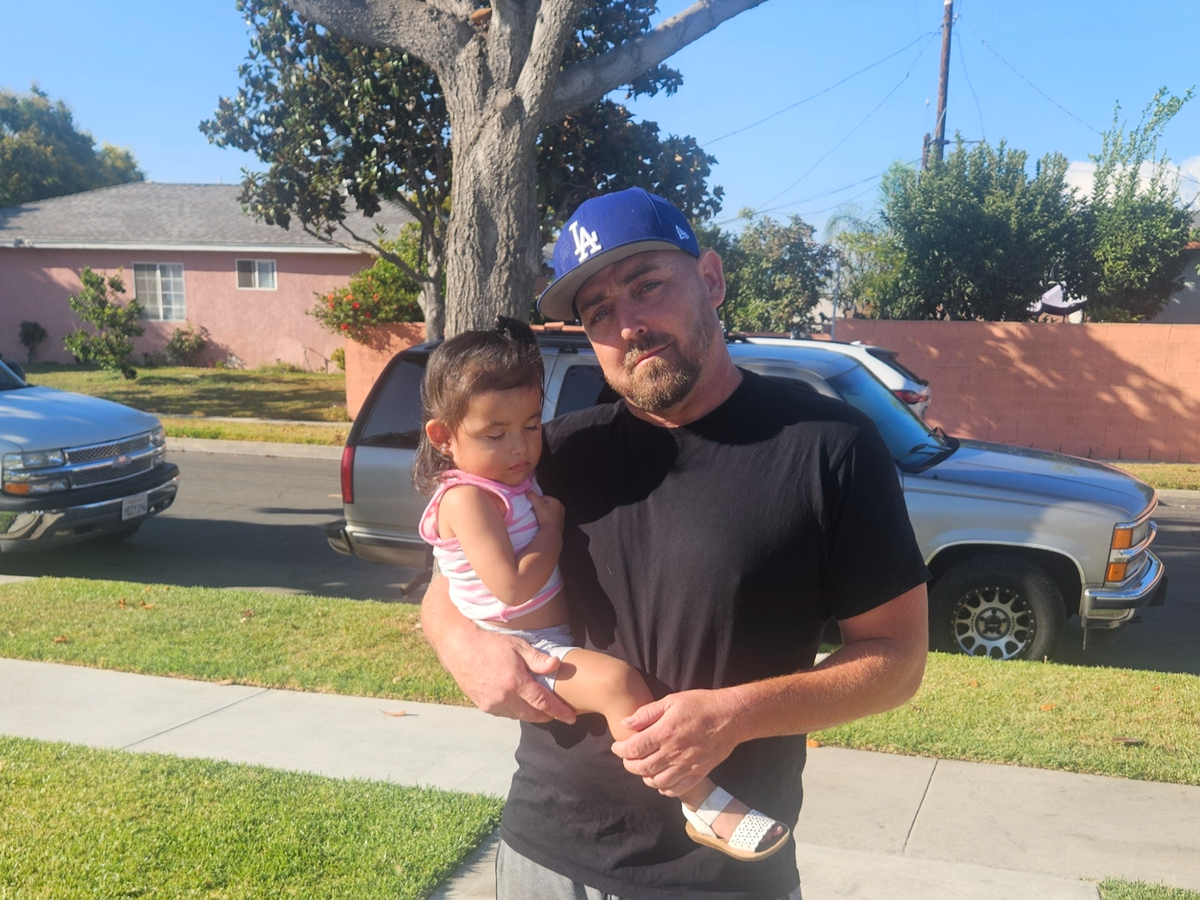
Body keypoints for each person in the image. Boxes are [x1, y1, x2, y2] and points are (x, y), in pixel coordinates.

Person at [421, 187, 930, 900]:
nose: (628, 325)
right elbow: (449, 578)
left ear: (711, 280)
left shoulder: (827, 447)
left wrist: (733, 717)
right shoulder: (553, 453)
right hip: (546, 853)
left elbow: (897, 662)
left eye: (647, 285)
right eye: (598, 312)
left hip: (722, 877)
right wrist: (461, 648)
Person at [414, 318, 790, 862]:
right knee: (617, 684)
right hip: (529, 648)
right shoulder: (468, 499)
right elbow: (512, 586)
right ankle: (703, 802)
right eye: (495, 435)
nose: (520, 448)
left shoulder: (509, 480)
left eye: (531, 425)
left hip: (548, 640)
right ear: (443, 437)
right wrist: (551, 530)